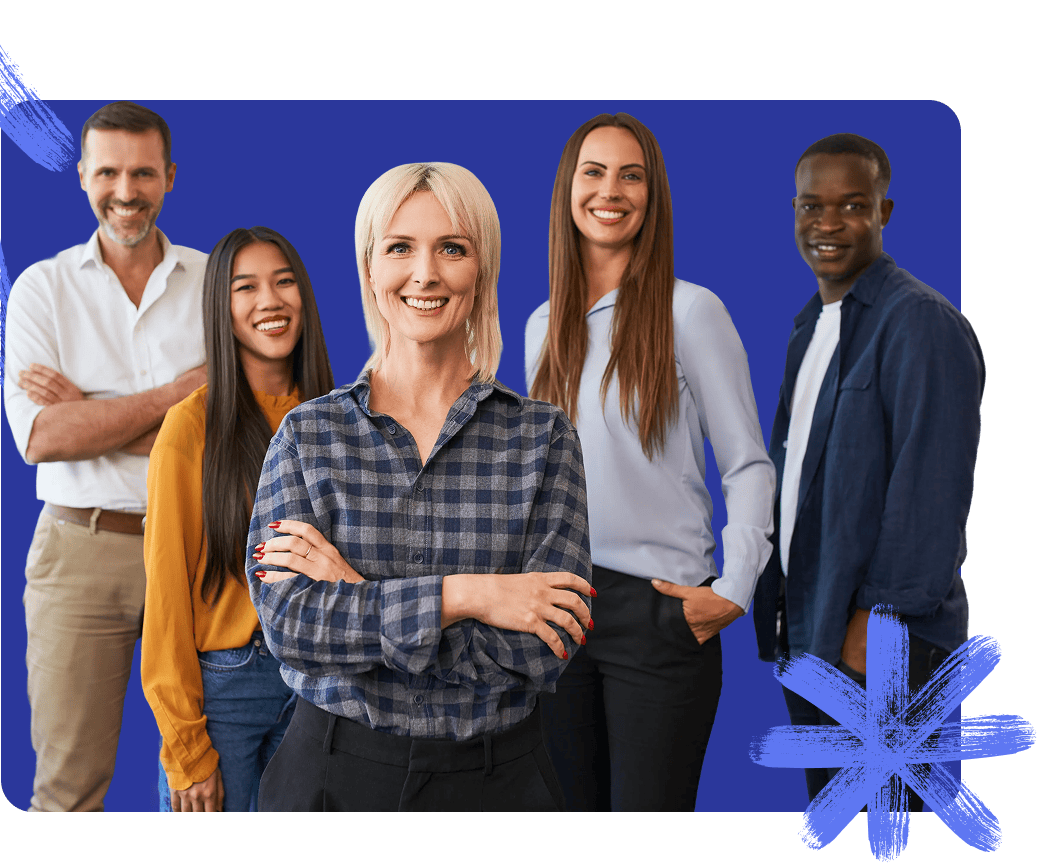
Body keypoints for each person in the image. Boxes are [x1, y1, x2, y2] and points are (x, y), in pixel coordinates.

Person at [244, 162, 594, 812]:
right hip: (331, 778)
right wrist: (469, 595)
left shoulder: (543, 439)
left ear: (482, 269)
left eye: (452, 248)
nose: (425, 273)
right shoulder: (307, 435)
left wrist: (356, 592)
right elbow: (290, 626)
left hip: (498, 785)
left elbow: (545, 647)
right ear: (369, 268)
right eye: (400, 247)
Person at [526, 113, 776, 811]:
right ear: (567, 189)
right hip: (562, 610)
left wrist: (734, 586)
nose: (611, 190)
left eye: (630, 175)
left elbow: (748, 465)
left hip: (661, 614)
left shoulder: (691, 312)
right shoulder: (541, 326)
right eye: (594, 172)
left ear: (652, 194)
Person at [752, 133, 985, 807]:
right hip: (815, 633)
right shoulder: (811, 326)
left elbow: (931, 494)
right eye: (811, 206)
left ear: (885, 211)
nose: (827, 224)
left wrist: (876, 625)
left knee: (890, 829)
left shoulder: (920, 323)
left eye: (852, 205)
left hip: (883, 648)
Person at [3, 101, 207, 812]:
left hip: (200, 548)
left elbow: (237, 434)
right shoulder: (42, 289)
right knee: (67, 790)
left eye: (143, 173)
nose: (126, 191)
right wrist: (177, 396)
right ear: (83, 177)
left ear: (170, 177)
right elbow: (42, 438)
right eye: (109, 173)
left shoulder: (216, 282)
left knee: (207, 776)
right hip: (80, 554)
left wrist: (90, 408)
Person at [141, 227, 335, 812]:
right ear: (220, 310)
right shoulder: (190, 426)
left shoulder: (338, 418)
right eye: (245, 287)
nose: (269, 301)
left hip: (317, 690)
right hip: (226, 690)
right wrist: (185, 746)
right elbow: (166, 592)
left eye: (284, 282)